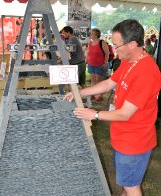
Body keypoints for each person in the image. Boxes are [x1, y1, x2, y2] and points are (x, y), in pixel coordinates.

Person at [64, 19, 160, 196]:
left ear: (132, 44)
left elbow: (125, 114)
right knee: (127, 183)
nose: (114, 49)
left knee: (131, 186)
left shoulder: (147, 72)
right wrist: (82, 93)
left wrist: (95, 114)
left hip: (134, 141)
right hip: (123, 136)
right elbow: (109, 83)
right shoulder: (127, 61)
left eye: (117, 46)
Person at [60, 26, 91, 107]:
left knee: (73, 85)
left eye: (64, 33)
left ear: (68, 32)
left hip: (77, 64)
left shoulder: (72, 39)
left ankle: (76, 101)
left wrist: (63, 42)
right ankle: (88, 100)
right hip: (80, 63)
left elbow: (68, 51)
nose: (63, 34)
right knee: (82, 83)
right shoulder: (71, 39)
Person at [86, 28, 109, 101]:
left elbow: (107, 53)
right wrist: (86, 60)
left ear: (96, 34)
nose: (90, 34)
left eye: (91, 33)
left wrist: (105, 62)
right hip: (91, 64)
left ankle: (99, 95)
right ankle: (93, 94)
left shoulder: (102, 42)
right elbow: (88, 53)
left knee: (99, 81)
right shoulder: (90, 42)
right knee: (93, 81)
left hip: (99, 64)